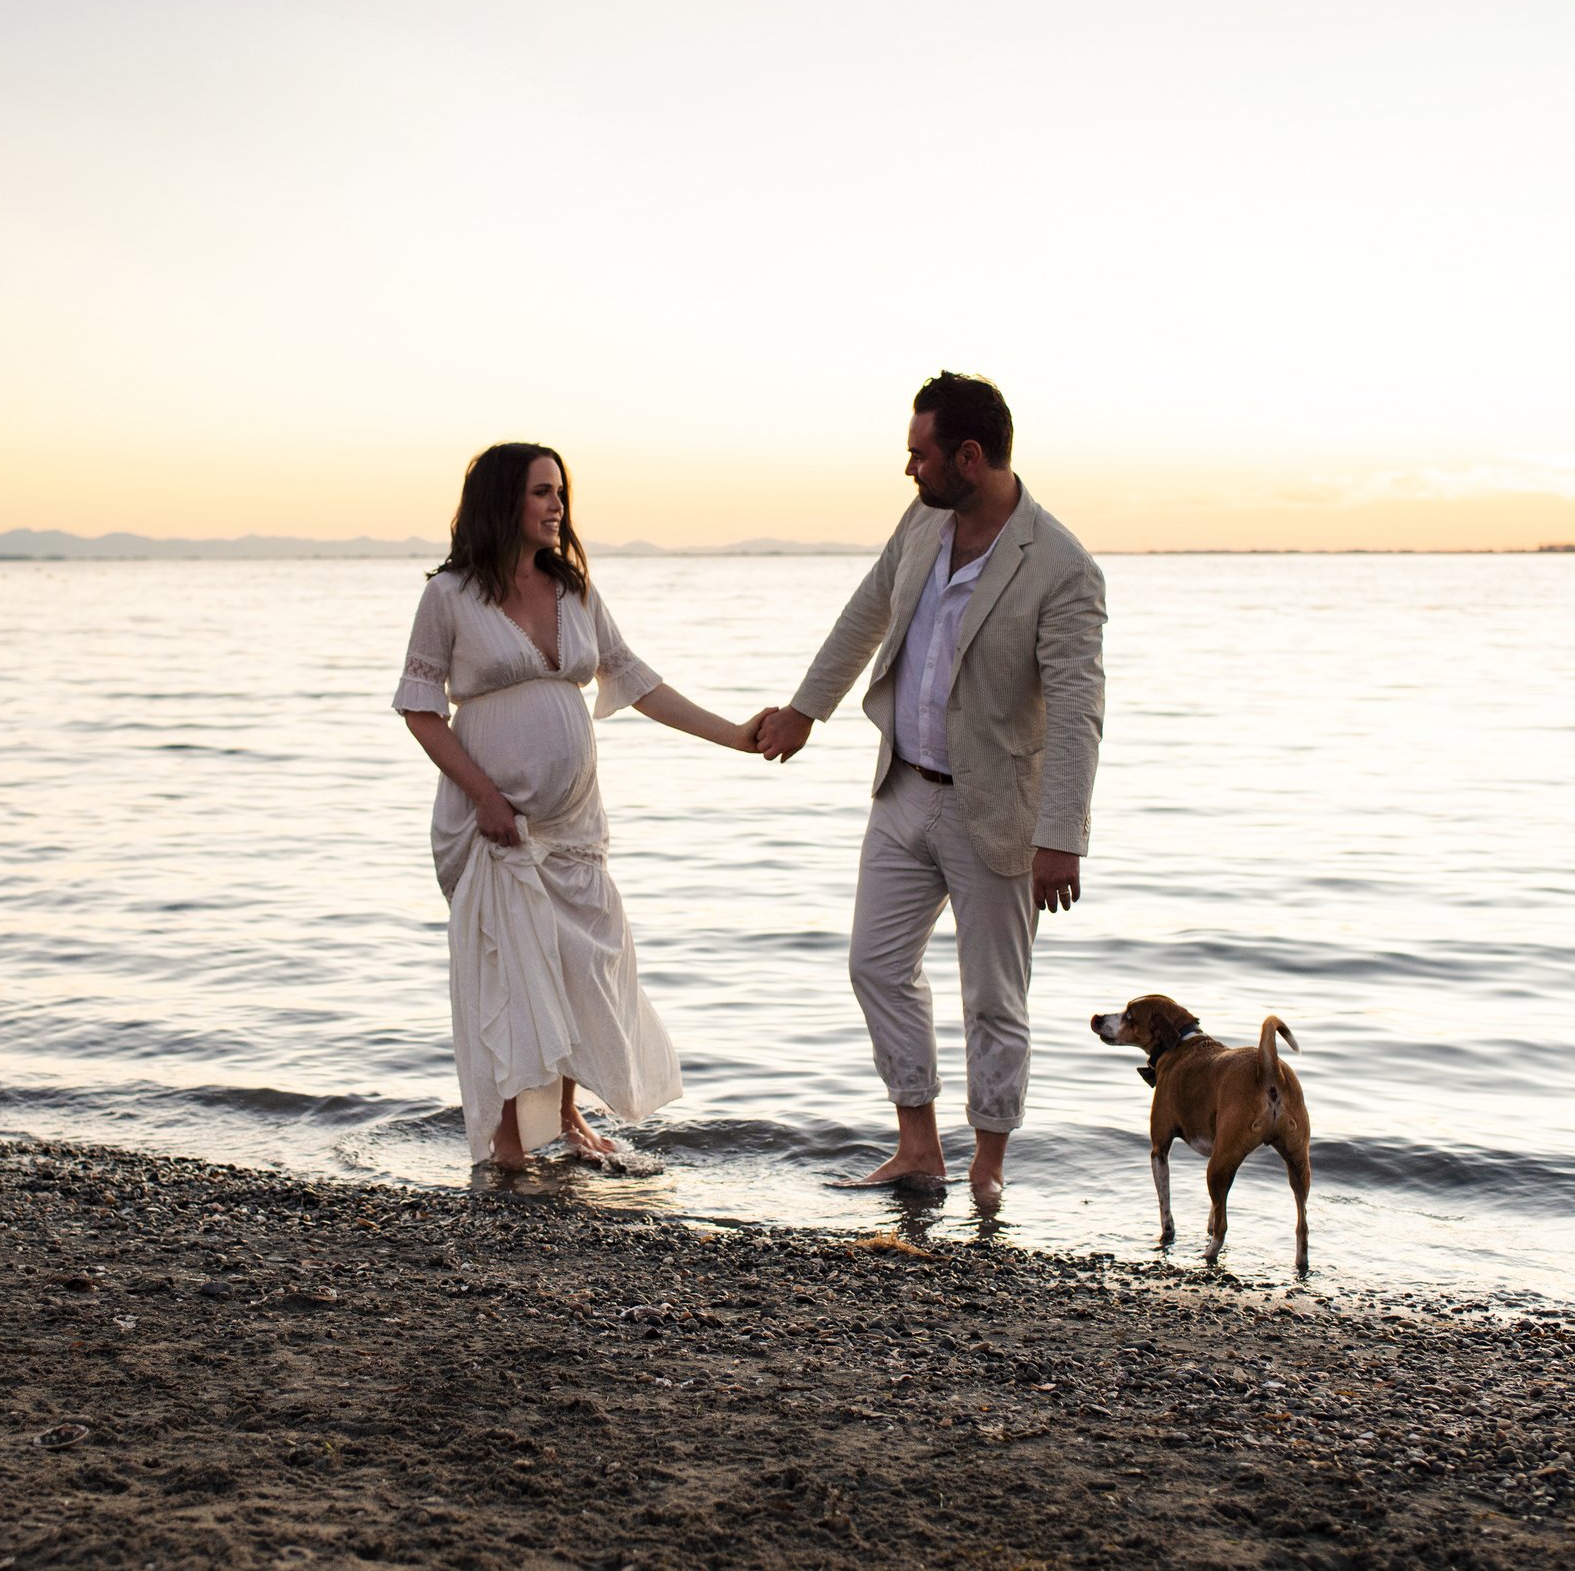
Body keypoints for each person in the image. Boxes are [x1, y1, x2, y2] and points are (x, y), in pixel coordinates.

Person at [756, 374, 1105, 1210]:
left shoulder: (1062, 569)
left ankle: (987, 1165)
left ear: (970, 457)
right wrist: (807, 712)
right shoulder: (921, 523)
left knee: (994, 999)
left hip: (998, 814)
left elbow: (1081, 713)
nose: (908, 468)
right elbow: (863, 614)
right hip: (903, 791)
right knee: (875, 965)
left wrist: (1062, 836)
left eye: (920, 452)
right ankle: (919, 1149)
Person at [397, 442, 769, 1168]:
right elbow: (419, 709)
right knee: (514, 966)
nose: (556, 506)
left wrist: (733, 737)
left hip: (573, 824)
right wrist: (485, 797)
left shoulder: (575, 592)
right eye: (541, 492)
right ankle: (509, 1139)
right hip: (493, 820)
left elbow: (636, 680)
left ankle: (566, 1117)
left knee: (579, 961)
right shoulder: (450, 596)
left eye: (560, 492)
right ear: (504, 501)